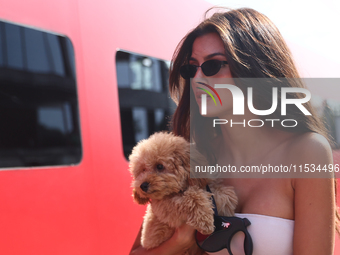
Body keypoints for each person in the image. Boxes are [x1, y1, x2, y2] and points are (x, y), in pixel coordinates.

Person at [130, 8, 340, 255]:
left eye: (213, 66)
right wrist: (180, 241)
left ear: (253, 69)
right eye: (191, 68)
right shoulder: (194, 156)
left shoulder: (308, 151)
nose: (197, 79)